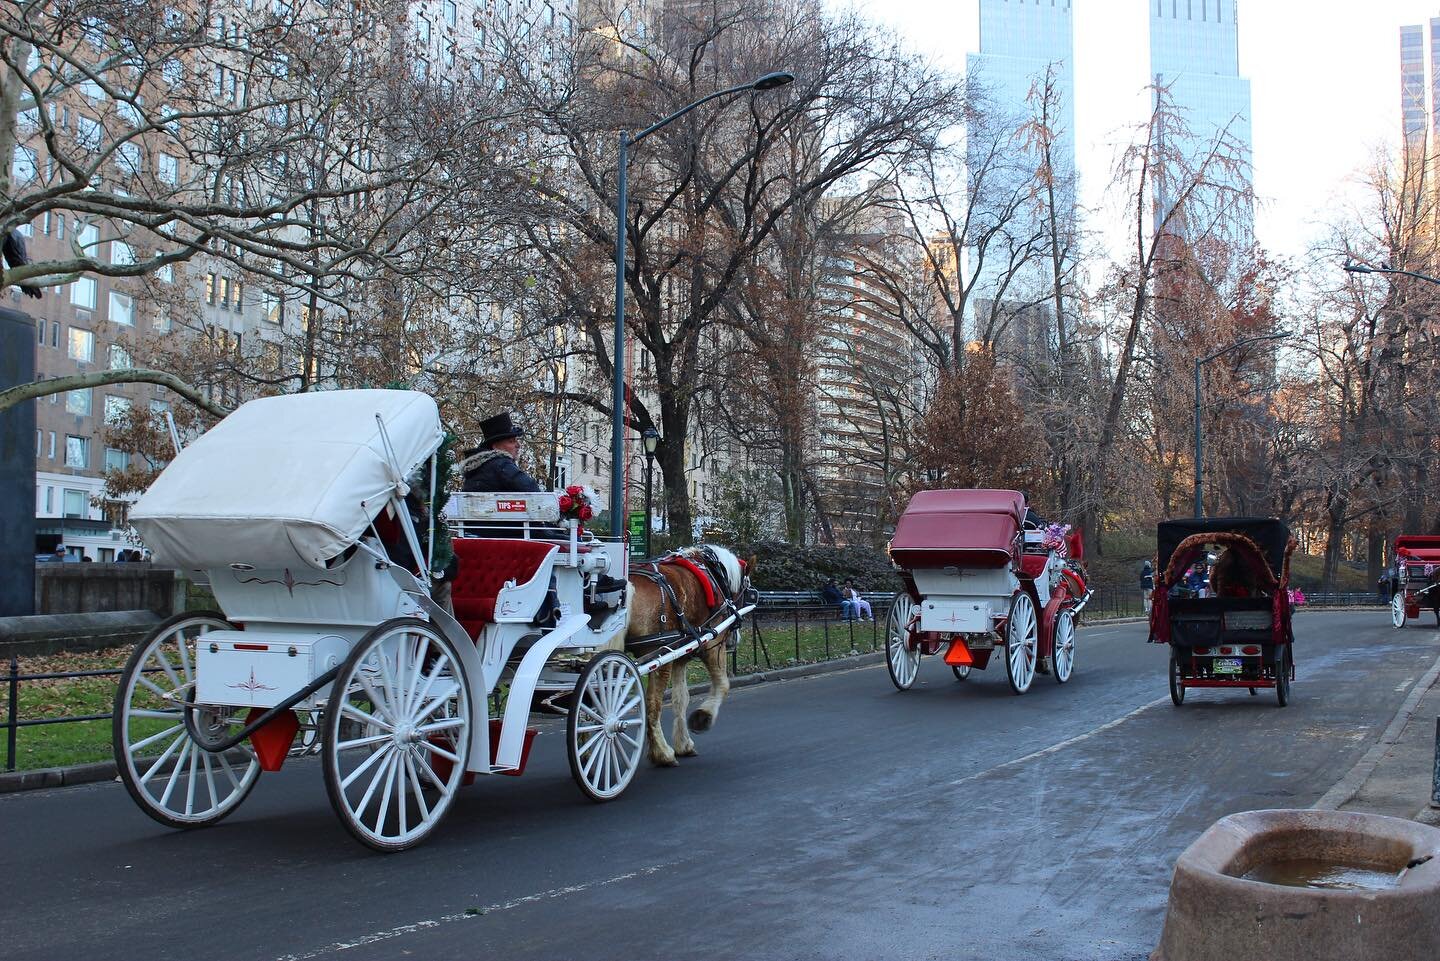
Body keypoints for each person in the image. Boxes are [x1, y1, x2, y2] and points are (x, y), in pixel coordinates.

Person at [460, 412, 541, 493]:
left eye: (516, 440)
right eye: (511, 441)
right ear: (495, 446)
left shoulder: (479, 468)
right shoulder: (501, 464)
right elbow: (531, 489)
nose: (518, 445)